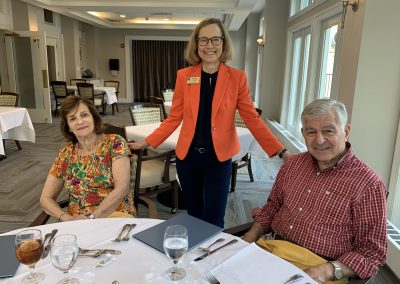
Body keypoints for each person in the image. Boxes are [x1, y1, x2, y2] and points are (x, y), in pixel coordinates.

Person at [128, 18, 288, 228]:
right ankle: (195, 258)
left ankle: (213, 257)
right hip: (188, 157)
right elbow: (174, 118)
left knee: (214, 217)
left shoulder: (237, 78)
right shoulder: (184, 76)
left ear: (223, 42)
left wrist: (281, 151)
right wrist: (146, 142)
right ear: (196, 44)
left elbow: (251, 118)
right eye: (203, 40)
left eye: (215, 39)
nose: (209, 45)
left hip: (218, 158)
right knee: (194, 214)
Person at [243, 99, 387, 282]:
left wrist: (328, 270)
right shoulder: (292, 165)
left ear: (346, 131)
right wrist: (248, 238)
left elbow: (372, 252)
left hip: (321, 268)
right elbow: (271, 208)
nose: (319, 140)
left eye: (328, 130)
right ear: (303, 133)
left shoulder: (368, 183)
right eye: (311, 132)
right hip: (271, 251)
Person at [40, 96, 135, 221]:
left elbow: (122, 188)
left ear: (94, 118)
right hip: (77, 220)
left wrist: (93, 217)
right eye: (72, 119)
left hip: (115, 214)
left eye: (84, 115)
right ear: (68, 126)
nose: (79, 122)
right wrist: (66, 217)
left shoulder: (115, 143)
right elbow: (45, 198)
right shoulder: (65, 154)